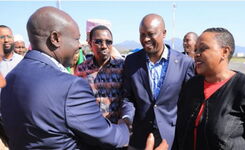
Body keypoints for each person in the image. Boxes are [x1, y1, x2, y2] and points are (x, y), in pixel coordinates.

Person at [0, 6, 130, 149]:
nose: (79, 46)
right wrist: (125, 126)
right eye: (76, 39)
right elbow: (109, 136)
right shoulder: (69, 86)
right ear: (55, 38)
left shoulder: (10, 78)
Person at [174, 28, 245, 150]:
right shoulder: (191, 86)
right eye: (196, 49)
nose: (196, 54)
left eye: (203, 49)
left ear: (224, 52)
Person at [121, 14, 194, 150]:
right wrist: (127, 117)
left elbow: (188, 103)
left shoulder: (184, 63)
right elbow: (127, 97)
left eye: (151, 34)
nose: (146, 39)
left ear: (164, 33)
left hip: (171, 137)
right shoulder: (131, 61)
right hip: (140, 136)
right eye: (142, 35)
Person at [77, 25, 125, 124]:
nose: (104, 46)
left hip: (117, 128)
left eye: (108, 42)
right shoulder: (81, 70)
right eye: (98, 42)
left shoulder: (122, 67)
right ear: (90, 44)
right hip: (91, 128)